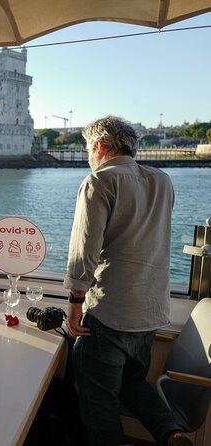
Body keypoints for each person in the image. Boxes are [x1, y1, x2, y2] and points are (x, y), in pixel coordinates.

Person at [64, 116, 191, 446]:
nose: (89, 155)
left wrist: (75, 304)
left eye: (88, 148)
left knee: (99, 403)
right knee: (134, 383)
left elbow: (84, 251)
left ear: (100, 146)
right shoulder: (162, 180)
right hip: (149, 310)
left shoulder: (99, 181)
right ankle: (170, 431)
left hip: (109, 312)